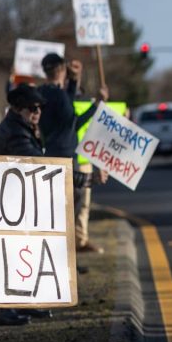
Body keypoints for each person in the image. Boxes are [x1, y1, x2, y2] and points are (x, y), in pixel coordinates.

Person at [0, 84, 54, 321]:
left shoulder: (25, 126)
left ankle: (23, 301)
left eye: (40, 107)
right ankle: (4, 310)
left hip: (18, 201)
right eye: (31, 108)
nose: (37, 112)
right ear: (17, 108)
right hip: (8, 203)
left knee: (23, 253)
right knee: (10, 255)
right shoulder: (15, 131)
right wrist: (84, 177)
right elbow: (36, 165)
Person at [37, 54, 108, 256]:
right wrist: (98, 103)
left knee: (59, 209)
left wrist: (76, 81)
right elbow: (73, 120)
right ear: (61, 70)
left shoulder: (42, 93)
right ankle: (66, 258)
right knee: (69, 209)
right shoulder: (58, 95)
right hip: (66, 155)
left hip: (51, 151)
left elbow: (71, 118)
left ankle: (66, 257)